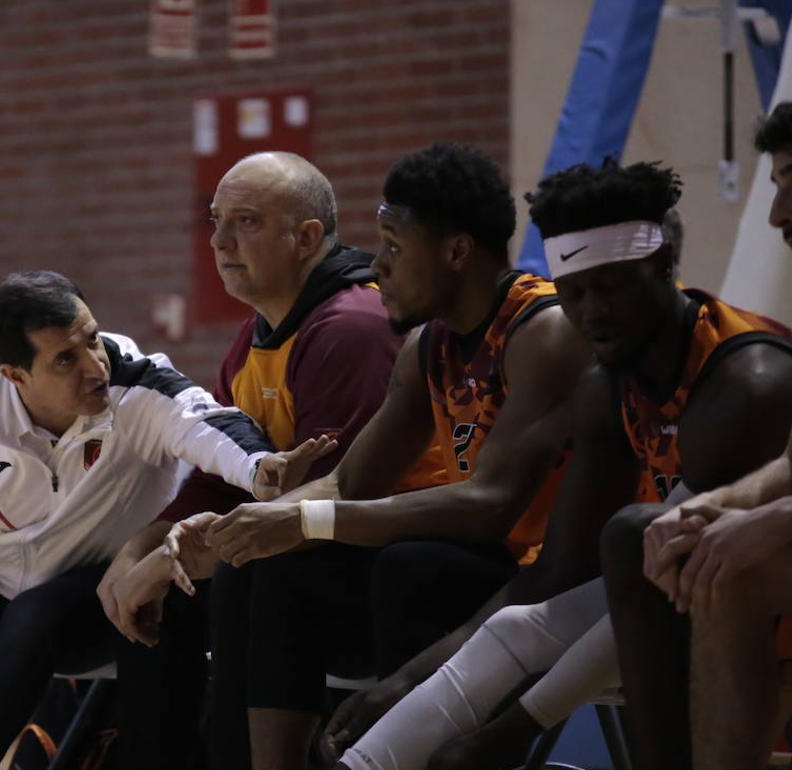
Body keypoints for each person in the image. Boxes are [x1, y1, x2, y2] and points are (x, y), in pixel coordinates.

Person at [326, 159, 792, 770]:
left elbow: (654, 576)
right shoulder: (605, 384)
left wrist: (511, 730)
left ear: (663, 268)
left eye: (610, 289)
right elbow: (559, 577)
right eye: (574, 294)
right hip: (687, 590)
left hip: (744, 604)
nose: (592, 312)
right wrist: (406, 683)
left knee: (637, 542)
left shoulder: (745, 381)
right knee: (542, 604)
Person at [164, 143, 593, 770]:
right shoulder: (427, 344)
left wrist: (298, 519)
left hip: (553, 575)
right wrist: (253, 524)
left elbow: (490, 505)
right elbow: (348, 485)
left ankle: (404, 750)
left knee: (411, 567)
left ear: (455, 252)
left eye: (394, 246)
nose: (378, 266)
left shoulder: (542, 330)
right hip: (474, 572)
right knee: (266, 566)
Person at [0, 270, 333, 770]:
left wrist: (258, 469)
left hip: (101, 586)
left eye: (92, 340)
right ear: (15, 375)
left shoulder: (133, 380)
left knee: (30, 620)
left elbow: (205, 421)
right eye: (65, 359)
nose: (94, 367)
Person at [96, 151, 442, 770]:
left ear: (306, 237)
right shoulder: (255, 338)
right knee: (159, 588)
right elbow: (216, 480)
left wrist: (161, 564)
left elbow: (316, 512)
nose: (220, 241)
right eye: (215, 220)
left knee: (241, 574)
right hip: (306, 561)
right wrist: (134, 554)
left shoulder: (351, 329)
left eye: (246, 222)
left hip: (393, 569)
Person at [603, 102, 792, 770]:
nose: (778, 215)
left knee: (728, 557)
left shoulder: (751, 368)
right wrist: (721, 506)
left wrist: (772, 520)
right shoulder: (608, 378)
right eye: (776, 186)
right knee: (708, 555)